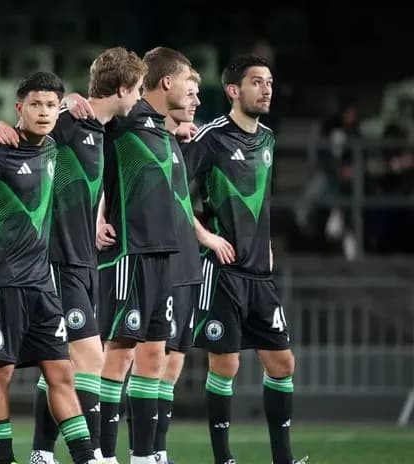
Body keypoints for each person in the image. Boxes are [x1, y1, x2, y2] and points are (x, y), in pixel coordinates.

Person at [21, 48, 146, 464]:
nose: (139, 98)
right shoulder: (70, 118)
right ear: (123, 89)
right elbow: (26, 135)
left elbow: (86, 181)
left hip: (83, 259)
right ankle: (91, 453)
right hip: (57, 259)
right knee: (89, 356)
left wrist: (94, 216)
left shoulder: (103, 130)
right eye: (138, 89)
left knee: (63, 361)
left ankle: (41, 451)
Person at [185, 54, 306, 464]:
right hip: (222, 272)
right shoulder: (211, 137)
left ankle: (283, 460)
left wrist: (266, 242)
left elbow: (261, 199)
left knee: (282, 362)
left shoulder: (268, 139)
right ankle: (224, 459)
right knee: (226, 365)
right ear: (234, 91)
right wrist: (207, 237)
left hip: (259, 272)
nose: (267, 88)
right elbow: (175, 193)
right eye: (257, 82)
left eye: (270, 81)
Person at [0, 71, 99, 464]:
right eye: (35, 105)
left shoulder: (54, 148)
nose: (44, 113)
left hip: (43, 285)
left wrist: (76, 97)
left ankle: (85, 458)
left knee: (62, 374)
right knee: (0, 374)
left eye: (50, 106)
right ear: (18, 108)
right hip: (1, 282)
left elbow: (102, 113)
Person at [94, 47, 192, 464]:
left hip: (162, 255)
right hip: (131, 252)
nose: (193, 94)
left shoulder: (162, 128)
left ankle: (145, 455)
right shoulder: (124, 117)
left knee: (154, 354)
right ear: (166, 81)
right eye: (190, 83)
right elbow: (88, 143)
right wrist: (99, 211)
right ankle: (102, 453)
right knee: (119, 353)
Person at [148, 68, 203, 464]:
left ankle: (158, 450)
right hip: (160, 260)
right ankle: (142, 450)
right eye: (192, 91)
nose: (196, 100)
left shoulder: (183, 142)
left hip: (187, 261)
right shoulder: (143, 136)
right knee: (150, 358)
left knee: (176, 358)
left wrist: (203, 238)